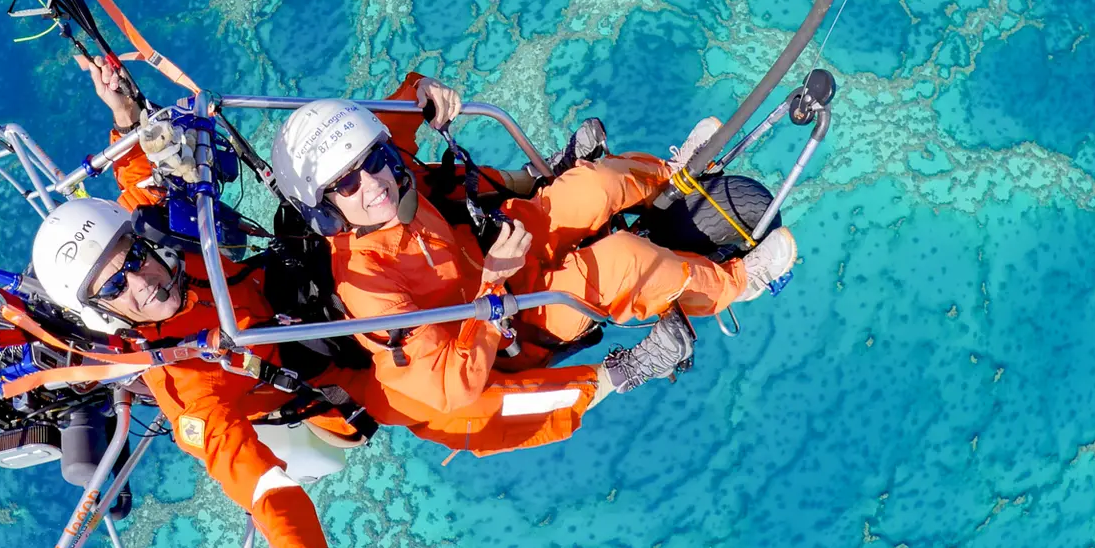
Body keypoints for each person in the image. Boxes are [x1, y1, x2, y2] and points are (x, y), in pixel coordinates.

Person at [28, 58, 609, 548]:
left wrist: (127, 116)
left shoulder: (169, 249)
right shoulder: (191, 393)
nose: (141, 278)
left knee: (379, 188)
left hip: (310, 289)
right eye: (115, 287)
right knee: (443, 403)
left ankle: (537, 185)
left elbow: (141, 191)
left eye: (133, 257)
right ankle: (607, 379)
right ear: (105, 313)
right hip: (332, 382)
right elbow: (258, 486)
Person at [268, 72, 798, 425]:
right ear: (326, 206)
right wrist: (494, 282)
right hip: (511, 321)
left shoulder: (388, 178)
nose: (372, 183)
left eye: (372, 160)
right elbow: (452, 387)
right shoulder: (369, 289)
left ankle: (674, 176)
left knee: (595, 187)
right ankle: (736, 285)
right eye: (346, 183)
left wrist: (422, 89)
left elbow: (400, 115)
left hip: (496, 246)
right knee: (625, 263)